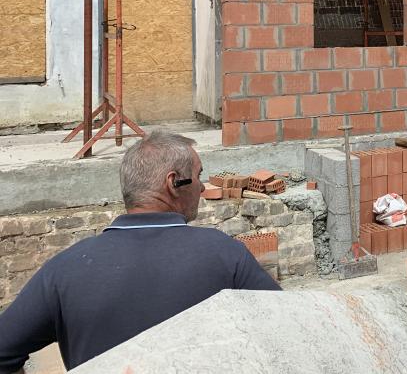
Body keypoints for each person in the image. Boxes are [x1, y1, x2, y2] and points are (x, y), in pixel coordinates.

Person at [0, 131, 280, 373]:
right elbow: (287, 327)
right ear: (173, 183)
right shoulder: (224, 254)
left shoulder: (64, 269)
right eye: (198, 176)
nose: (202, 187)